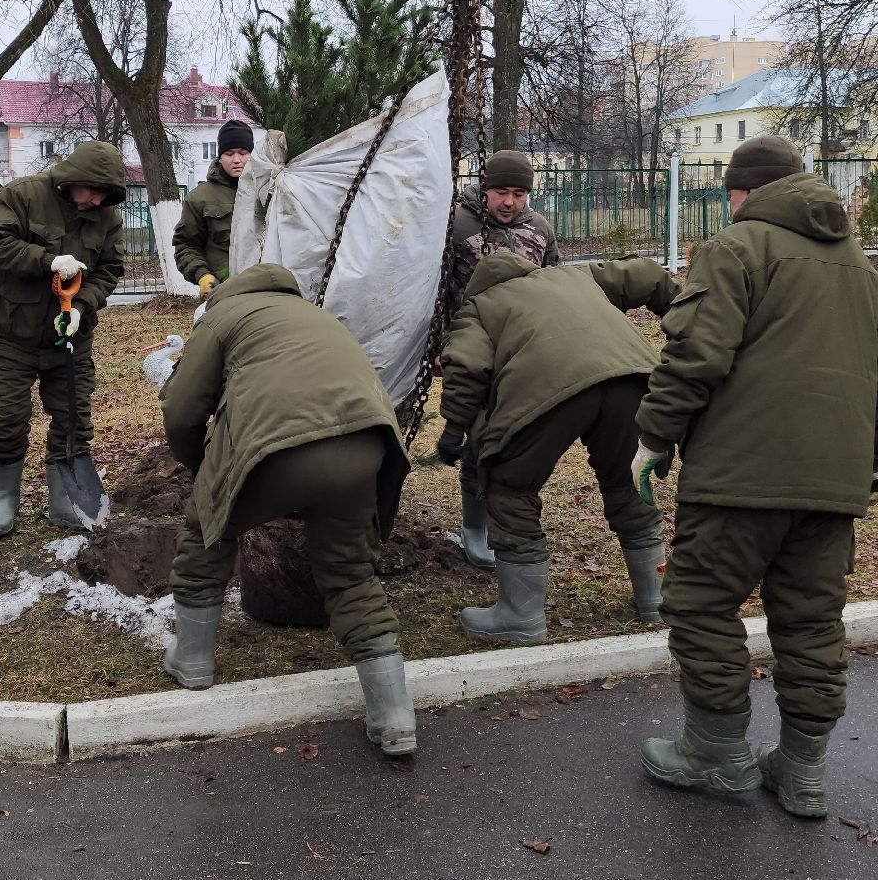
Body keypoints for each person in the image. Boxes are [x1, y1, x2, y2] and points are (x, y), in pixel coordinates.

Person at [633, 136, 878, 819]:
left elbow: (696, 355)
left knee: (701, 604)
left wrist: (654, 437)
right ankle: (803, 771)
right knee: (812, 622)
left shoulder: (735, 248)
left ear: (746, 191)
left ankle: (715, 753)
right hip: (832, 486)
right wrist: (861, 462)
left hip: (738, 478)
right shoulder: (857, 264)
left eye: (730, 194)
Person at [159, 263, 417, 756]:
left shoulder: (222, 316)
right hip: (365, 445)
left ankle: (191, 660)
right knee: (349, 572)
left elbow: (182, 409)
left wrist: (202, 474)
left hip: (275, 448)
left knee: (207, 532)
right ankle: (394, 714)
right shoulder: (315, 315)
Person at [436, 253, 679, 640]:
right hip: (633, 376)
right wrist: (683, 319)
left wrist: (453, 428)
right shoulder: (577, 275)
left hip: (547, 391)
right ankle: (655, 599)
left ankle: (521, 617)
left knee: (511, 488)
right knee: (628, 482)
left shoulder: (478, 307)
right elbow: (647, 274)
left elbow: (466, 364)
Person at [0, 140, 127, 537]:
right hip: (11, 333)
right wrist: (47, 261)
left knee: (73, 417)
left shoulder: (107, 219)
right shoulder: (23, 196)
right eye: (94, 190)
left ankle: (63, 499)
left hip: (69, 338)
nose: (97, 200)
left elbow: (109, 270)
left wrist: (81, 307)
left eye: (106, 194)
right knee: (6, 418)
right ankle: (4, 496)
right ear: (74, 178)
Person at [442, 149, 560, 569]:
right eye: (501, 192)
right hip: (474, 348)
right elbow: (435, 290)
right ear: (485, 189)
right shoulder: (458, 225)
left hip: (523, 352)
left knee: (519, 438)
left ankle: (506, 519)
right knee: (479, 438)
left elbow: (555, 284)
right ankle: (474, 525)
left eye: (519, 194)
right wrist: (441, 345)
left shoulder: (539, 229)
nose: (509, 202)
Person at [174, 119, 253, 299]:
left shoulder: (268, 192)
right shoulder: (200, 198)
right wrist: (202, 275)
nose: (236, 160)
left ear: (252, 154)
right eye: (229, 153)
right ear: (219, 157)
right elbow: (186, 245)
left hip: (266, 289)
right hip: (222, 292)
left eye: (243, 153)